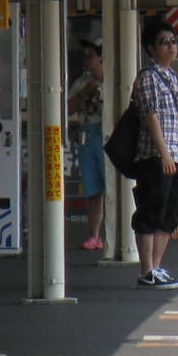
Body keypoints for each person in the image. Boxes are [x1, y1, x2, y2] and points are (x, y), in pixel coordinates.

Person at [131, 19, 178, 289]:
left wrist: (175, 155)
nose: (171, 47)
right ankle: (146, 269)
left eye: (174, 41)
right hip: (155, 155)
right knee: (150, 211)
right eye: (164, 42)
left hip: (174, 153)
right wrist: (164, 155)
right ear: (151, 48)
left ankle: (157, 267)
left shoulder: (172, 77)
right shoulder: (148, 77)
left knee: (171, 212)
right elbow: (151, 117)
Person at [67, 38, 106, 250]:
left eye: (90, 55)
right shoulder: (82, 83)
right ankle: (94, 235)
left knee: (112, 187)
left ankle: (117, 234)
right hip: (87, 135)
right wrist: (85, 92)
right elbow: (67, 109)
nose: (85, 59)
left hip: (107, 135)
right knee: (93, 190)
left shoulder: (114, 81)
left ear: (102, 58)